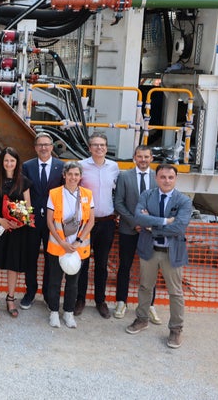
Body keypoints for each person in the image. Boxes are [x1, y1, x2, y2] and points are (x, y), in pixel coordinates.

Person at [125, 164, 192, 349]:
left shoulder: (184, 200)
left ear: (175, 179)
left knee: (175, 292)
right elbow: (139, 218)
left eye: (170, 177)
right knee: (145, 286)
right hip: (150, 250)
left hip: (172, 253)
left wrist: (152, 227)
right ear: (156, 178)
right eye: (162, 177)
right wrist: (165, 221)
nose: (166, 181)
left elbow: (179, 227)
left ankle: (176, 329)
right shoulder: (147, 196)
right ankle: (142, 319)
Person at [0, 147, 32, 319]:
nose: (9, 164)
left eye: (12, 161)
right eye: (6, 161)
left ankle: (10, 299)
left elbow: (28, 206)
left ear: (17, 163)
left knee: (13, 265)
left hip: (16, 231)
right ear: (1, 162)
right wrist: (1, 220)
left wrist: (19, 222)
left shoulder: (24, 182)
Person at [113, 145, 161, 324]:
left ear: (151, 158)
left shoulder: (158, 177)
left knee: (150, 269)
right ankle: (121, 302)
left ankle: (149, 305)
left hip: (150, 232)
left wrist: (149, 223)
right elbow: (119, 203)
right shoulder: (124, 176)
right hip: (128, 230)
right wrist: (135, 223)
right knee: (124, 266)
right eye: (140, 156)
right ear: (134, 157)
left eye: (146, 157)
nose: (143, 160)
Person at [45, 162, 94, 328]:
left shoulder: (87, 194)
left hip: (78, 248)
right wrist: (62, 242)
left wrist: (78, 242)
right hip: (58, 246)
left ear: (80, 177)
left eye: (76, 174)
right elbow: (50, 221)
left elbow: (91, 221)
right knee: (54, 281)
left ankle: (68, 312)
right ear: (64, 175)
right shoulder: (54, 193)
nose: (73, 177)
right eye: (70, 174)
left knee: (73, 282)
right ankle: (53, 312)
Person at [77, 132, 119, 318]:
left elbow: (117, 192)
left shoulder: (114, 167)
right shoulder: (81, 166)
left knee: (102, 264)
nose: (99, 148)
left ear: (106, 148)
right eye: (95, 145)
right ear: (89, 148)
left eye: (102, 145)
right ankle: (80, 299)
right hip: (85, 224)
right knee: (82, 263)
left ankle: (100, 301)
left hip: (106, 222)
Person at [21, 132, 64, 309]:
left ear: (52, 147)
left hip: (53, 221)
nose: (44, 148)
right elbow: (23, 191)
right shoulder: (27, 166)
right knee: (30, 257)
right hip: (32, 220)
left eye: (47, 144)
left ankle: (48, 294)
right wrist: (25, 215)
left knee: (51, 259)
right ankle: (30, 292)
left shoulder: (61, 166)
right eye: (40, 145)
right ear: (35, 148)